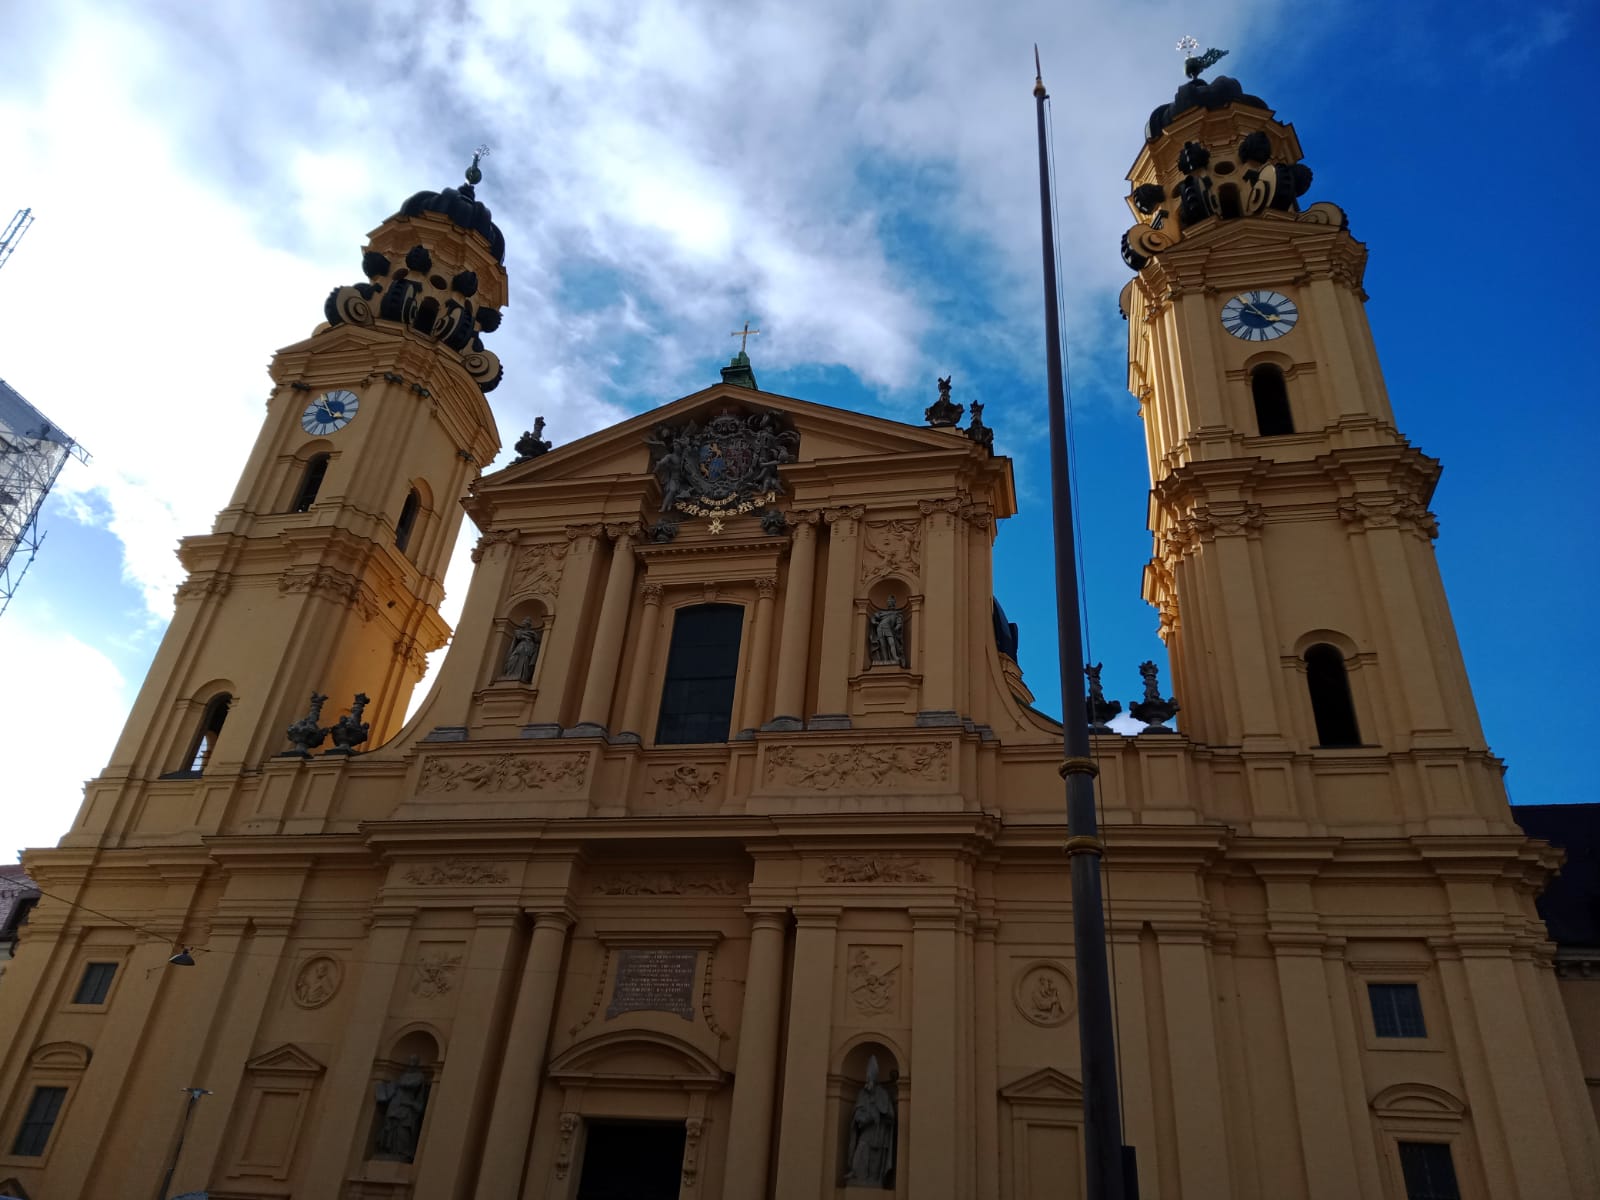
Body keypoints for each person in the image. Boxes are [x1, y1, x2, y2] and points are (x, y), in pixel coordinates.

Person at [844, 1055, 896, 1186]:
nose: (868, 1082)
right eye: (867, 1079)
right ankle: (857, 1174)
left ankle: (874, 1180)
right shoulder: (862, 1094)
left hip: (880, 1134)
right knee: (860, 1152)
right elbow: (857, 1114)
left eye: (870, 1079)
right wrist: (865, 1117)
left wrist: (880, 1114)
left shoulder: (883, 1094)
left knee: (876, 1160)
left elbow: (890, 1115)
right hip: (866, 1133)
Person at [374, 1056, 429, 1161]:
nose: (411, 1063)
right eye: (410, 1060)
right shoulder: (403, 1075)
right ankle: (389, 1149)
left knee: (403, 1127)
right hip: (396, 1102)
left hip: (407, 1104)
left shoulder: (419, 1076)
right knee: (390, 1125)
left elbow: (411, 1084)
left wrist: (402, 1084)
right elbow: (401, 1083)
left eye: (414, 1061)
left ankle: (402, 1151)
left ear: (417, 1063)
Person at [501, 618, 540, 683]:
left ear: (528, 625)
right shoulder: (518, 631)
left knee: (525, 660)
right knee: (513, 659)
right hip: (520, 646)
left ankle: (523, 676)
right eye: (523, 623)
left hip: (528, 647)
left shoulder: (533, 633)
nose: (523, 624)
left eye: (525, 623)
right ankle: (510, 674)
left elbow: (537, 640)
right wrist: (525, 636)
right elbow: (518, 636)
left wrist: (530, 636)